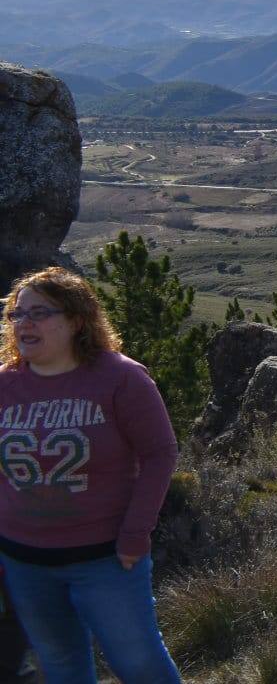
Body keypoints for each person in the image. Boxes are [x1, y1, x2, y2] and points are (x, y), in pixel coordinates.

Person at [0, 268, 182, 684]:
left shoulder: (120, 378)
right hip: (23, 561)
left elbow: (159, 454)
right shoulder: (5, 385)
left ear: (76, 320)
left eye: (39, 313)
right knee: (62, 667)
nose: (24, 323)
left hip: (106, 559)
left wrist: (136, 533)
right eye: (16, 313)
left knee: (139, 666)